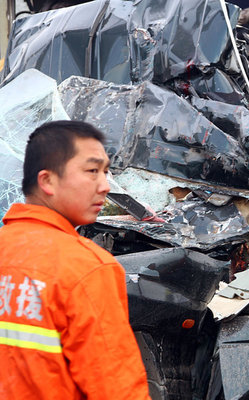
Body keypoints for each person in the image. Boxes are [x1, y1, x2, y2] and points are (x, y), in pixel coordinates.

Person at [0, 121, 150, 399]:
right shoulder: (87, 268)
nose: (105, 186)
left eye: (105, 172)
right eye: (92, 171)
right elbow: (117, 390)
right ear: (47, 181)